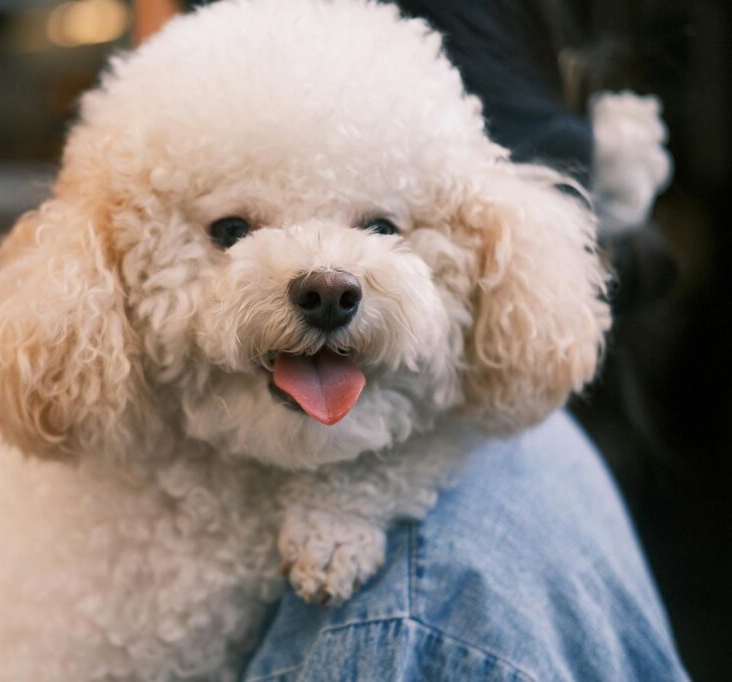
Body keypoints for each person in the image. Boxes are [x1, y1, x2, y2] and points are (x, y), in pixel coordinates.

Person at [132, 1, 689, 679]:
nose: (327, 279)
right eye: (233, 231)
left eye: (381, 227)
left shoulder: (404, 621)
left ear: (479, 248)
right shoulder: (537, 459)